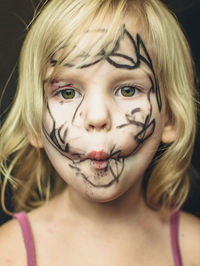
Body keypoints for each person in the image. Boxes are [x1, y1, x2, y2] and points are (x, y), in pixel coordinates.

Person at [0, 0, 200, 265]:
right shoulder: (8, 252)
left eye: (127, 90)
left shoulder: (194, 248)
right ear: (33, 123)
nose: (96, 117)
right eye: (67, 92)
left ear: (172, 116)